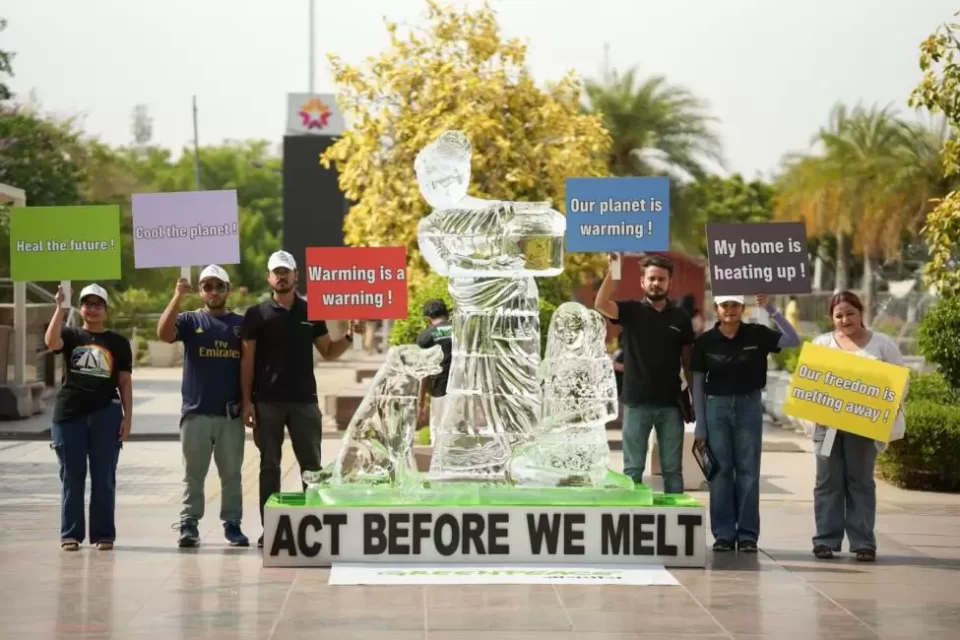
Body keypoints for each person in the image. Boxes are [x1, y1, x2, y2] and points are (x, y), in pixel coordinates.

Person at [240, 250, 362, 548]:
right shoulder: (256, 314)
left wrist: (349, 336)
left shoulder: (311, 311)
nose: (281, 277)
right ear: (269, 277)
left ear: (296, 275)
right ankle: (271, 529)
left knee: (311, 467)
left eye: (286, 271)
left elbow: (328, 351)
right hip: (267, 402)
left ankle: (313, 529)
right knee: (269, 466)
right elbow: (247, 360)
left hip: (304, 402)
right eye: (276, 272)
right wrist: (247, 401)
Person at [690, 293, 801, 552]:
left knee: (748, 472)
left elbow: (793, 340)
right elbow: (698, 384)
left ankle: (748, 534)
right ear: (716, 308)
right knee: (720, 472)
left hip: (748, 407)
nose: (729, 310)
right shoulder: (705, 341)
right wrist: (700, 424)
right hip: (716, 408)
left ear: (742, 307)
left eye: (735, 305)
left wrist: (771, 309)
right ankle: (724, 534)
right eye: (724, 305)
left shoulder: (757, 334)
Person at [157, 265, 249, 548]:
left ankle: (232, 524)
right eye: (208, 287)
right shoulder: (190, 320)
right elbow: (164, 333)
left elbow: (249, 366)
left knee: (231, 475)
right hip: (195, 413)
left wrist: (248, 404)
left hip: (229, 415)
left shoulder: (240, 324)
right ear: (200, 291)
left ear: (227, 290)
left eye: (219, 286)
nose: (213, 292)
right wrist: (177, 297)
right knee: (193, 476)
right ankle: (189, 524)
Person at [810, 291, 906, 563]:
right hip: (827, 428)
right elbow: (809, 381)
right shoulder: (821, 343)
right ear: (831, 318)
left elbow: (900, 381)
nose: (845, 319)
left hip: (864, 427)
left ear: (860, 313)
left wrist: (890, 406)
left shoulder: (882, 344)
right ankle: (825, 540)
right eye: (839, 315)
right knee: (827, 481)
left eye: (850, 313)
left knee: (861, 482)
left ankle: (863, 543)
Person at [594, 253, 694, 493]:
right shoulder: (631, 311)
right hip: (636, 403)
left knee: (672, 471)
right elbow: (601, 304)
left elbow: (687, 362)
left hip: (671, 405)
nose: (656, 283)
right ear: (642, 281)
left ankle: (675, 516)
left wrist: (694, 399)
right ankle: (633, 515)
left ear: (669, 283)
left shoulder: (680, 317)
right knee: (633, 470)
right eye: (651, 278)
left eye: (661, 279)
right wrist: (613, 272)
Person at [44, 284, 133, 551]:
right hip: (69, 415)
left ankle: (103, 534)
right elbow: (51, 342)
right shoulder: (70, 335)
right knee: (72, 476)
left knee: (104, 476)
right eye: (87, 304)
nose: (92, 309)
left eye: (97, 305)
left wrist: (128, 417)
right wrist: (60, 307)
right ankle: (70, 534)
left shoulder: (118, 343)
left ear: (105, 309)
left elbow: (124, 382)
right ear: (80, 308)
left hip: (106, 414)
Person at [416, 299, 453, 443]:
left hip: (439, 391)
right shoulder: (461, 332)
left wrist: (421, 402)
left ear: (428, 319)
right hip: (462, 391)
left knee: (438, 435)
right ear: (446, 315)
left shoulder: (426, 337)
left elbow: (424, 372)